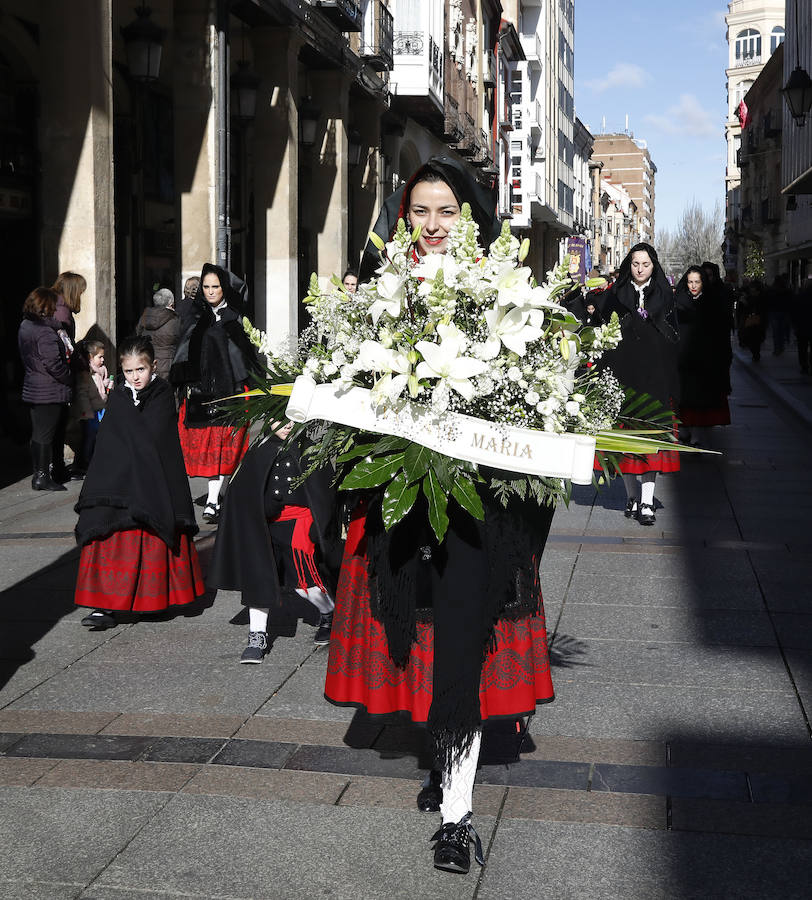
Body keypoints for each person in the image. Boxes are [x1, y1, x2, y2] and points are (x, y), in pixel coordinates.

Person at [324, 158, 555, 875]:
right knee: (420, 646)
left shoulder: (502, 292)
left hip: (478, 510)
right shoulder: (380, 292)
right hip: (403, 502)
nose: (433, 224)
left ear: (471, 215)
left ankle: (457, 814)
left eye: (447, 210)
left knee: (459, 646)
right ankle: (440, 762)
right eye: (421, 210)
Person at [74, 335, 203, 629]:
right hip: (119, 480)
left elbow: (155, 439)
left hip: (153, 481)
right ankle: (103, 606)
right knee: (107, 530)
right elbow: (111, 439)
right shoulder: (119, 395)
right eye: (129, 372)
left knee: (151, 537)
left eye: (140, 370)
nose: (135, 377)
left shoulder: (161, 393)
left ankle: (154, 601)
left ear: (153, 366)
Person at [208, 419, 340, 662]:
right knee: (258, 579)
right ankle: (257, 634)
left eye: (292, 418)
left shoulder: (308, 449)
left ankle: (329, 612)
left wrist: (317, 525)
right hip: (264, 523)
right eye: (280, 419)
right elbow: (242, 491)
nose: (287, 425)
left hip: (299, 522)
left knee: (304, 582)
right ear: (268, 420)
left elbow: (323, 493)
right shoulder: (258, 449)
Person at [593, 242, 680, 526]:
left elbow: (674, 336)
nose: (640, 269)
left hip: (654, 381)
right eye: (635, 264)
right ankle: (631, 497)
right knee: (625, 443)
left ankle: (647, 501)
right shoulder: (616, 294)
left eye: (645, 264)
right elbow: (599, 327)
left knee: (651, 443)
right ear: (628, 265)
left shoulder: (666, 296)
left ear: (654, 265)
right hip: (622, 377)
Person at [170, 263, 257, 524]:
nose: (209, 291)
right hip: (201, 393)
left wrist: (250, 384)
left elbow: (245, 355)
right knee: (210, 447)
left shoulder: (236, 318)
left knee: (226, 446)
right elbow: (184, 351)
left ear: (224, 288)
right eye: (206, 287)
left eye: (215, 286)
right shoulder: (195, 318)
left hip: (231, 392)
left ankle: (213, 499)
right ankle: (213, 498)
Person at [17, 287, 73, 492]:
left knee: (42, 433)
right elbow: (54, 364)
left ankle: (45, 473)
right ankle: (41, 476)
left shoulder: (26, 325)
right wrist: (68, 378)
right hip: (49, 389)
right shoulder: (44, 332)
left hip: (34, 385)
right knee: (46, 435)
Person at [674, 266, 731, 446]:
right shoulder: (678, 302)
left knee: (700, 400)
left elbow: (721, 330)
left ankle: (697, 433)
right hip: (682, 359)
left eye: (697, 282)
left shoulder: (712, 302)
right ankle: (684, 430)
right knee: (682, 398)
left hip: (705, 360)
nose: (693, 286)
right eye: (690, 282)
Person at [70, 339, 112, 478]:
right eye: (100, 357)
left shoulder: (99, 371)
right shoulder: (85, 373)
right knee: (88, 438)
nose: (103, 359)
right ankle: (84, 463)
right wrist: (86, 412)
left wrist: (106, 383)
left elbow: (99, 386)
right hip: (89, 412)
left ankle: (92, 460)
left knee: (96, 436)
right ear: (90, 357)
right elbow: (82, 395)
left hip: (99, 408)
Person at [136, 288, 180, 380]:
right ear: (171, 302)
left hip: (147, 360)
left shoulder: (145, 316)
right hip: (168, 363)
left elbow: (138, 334)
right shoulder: (175, 319)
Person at [52, 271, 86, 343]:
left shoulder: (57, 305)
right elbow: (65, 346)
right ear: (73, 293)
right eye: (80, 293)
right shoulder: (61, 312)